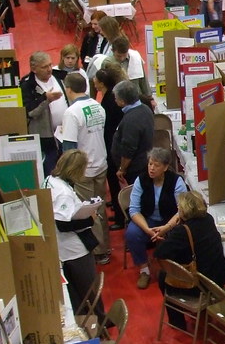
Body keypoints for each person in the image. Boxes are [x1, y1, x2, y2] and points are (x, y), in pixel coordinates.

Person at [153, 191, 225, 327]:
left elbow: (160, 253)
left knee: (163, 276)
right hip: (220, 276)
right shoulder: (208, 219)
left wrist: (174, 227)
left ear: (184, 210)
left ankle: (177, 321)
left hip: (201, 284)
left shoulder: (182, 231)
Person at [44, 150, 104, 318]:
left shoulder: (50, 180)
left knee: (74, 293)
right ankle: (100, 321)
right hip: (74, 250)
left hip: (60, 248)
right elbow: (63, 224)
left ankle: (82, 320)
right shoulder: (63, 193)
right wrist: (90, 218)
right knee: (90, 289)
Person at [60, 72, 111, 264]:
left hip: (83, 170)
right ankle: (105, 245)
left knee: (89, 211)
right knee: (101, 207)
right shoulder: (97, 106)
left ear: (68, 89)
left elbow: (69, 147)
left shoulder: (71, 113)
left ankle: (99, 250)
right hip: (100, 162)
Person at [125, 147, 186, 289]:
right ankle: (144, 269)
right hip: (148, 220)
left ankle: (170, 267)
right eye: (150, 164)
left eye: (156, 165)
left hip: (170, 221)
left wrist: (166, 228)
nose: (151, 168)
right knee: (132, 233)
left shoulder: (176, 181)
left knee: (181, 234)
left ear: (165, 167)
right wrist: (147, 230)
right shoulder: (141, 180)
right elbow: (134, 210)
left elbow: (182, 210)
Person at [21, 51, 67, 176]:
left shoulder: (59, 77)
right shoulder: (27, 85)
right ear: (33, 69)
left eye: (50, 65)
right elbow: (29, 111)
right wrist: (46, 98)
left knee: (67, 169)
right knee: (50, 171)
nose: (49, 69)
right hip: (45, 139)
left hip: (65, 133)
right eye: (44, 67)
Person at [95, 63, 127, 230]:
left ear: (101, 83)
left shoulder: (109, 102)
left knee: (114, 181)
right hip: (110, 143)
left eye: (96, 80)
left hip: (111, 146)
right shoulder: (109, 98)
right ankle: (115, 205)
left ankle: (120, 217)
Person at [111, 79, 154, 187]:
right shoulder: (145, 108)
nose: (115, 100)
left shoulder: (131, 119)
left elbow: (129, 148)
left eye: (116, 97)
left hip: (135, 169)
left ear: (122, 101)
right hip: (143, 162)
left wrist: (122, 168)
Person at [111, 35, 152, 99]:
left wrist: (150, 97)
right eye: (118, 56)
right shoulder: (108, 62)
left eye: (124, 55)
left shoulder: (135, 57)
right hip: (118, 99)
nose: (122, 58)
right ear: (112, 51)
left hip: (136, 97)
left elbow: (143, 80)